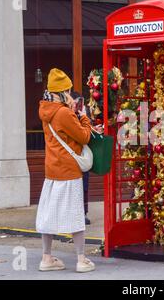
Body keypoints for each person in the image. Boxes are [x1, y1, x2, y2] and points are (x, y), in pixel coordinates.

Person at [36, 68, 100, 273]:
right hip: (69, 171)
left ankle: (47, 258)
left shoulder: (45, 108)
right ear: (62, 92)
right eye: (69, 91)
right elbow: (84, 137)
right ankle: (82, 260)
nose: (71, 94)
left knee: (48, 215)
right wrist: (83, 117)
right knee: (75, 215)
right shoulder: (63, 112)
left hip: (52, 169)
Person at [70, 91, 92, 225]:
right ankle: (74, 214)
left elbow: (87, 128)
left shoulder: (84, 112)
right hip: (73, 154)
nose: (79, 105)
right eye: (77, 102)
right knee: (75, 186)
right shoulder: (68, 114)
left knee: (84, 185)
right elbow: (80, 132)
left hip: (82, 153)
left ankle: (83, 212)